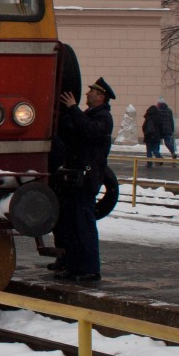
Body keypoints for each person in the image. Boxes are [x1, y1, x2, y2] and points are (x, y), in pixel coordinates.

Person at [51, 77, 114, 283]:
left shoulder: (103, 117)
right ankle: (73, 265)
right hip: (76, 177)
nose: (87, 94)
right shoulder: (88, 115)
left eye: (92, 92)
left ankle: (90, 269)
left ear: (101, 96)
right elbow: (73, 133)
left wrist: (73, 108)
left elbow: (89, 131)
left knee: (83, 225)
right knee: (72, 224)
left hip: (86, 179)